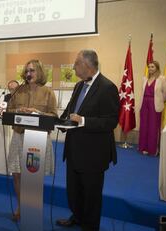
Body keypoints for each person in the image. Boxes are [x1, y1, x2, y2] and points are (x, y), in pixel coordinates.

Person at [56, 50, 119, 231]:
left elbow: (111, 121)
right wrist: (57, 121)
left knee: (91, 194)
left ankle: (90, 227)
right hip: (74, 149)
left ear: (87, 65)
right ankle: (77, 217)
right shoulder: (78, 86)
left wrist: (83, 121)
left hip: (94, 153)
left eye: (76, 63)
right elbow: (69, 111)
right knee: (74, 191)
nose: (74, 67)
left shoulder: (108, 87)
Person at [7, 59, 58, 221]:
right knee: (16, 174)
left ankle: (31, 208)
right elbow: (8, 111)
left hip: (38, 139)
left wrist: (37, 112)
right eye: (27, 71)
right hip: (19, 136)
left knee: (33, 177)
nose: (29, 74)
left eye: (32, 71)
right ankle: (22, 206)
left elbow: (54, 116)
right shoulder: (18, 91)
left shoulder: (48, 92)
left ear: (39, 72)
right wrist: (18, 110)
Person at [138, 61, 166, 156]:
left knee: (153, 127)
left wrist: (159, 101)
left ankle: (153, 149)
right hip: (144, 105)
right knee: (144, 126)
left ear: (157, 68)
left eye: (152, 67)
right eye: (149, 67)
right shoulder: (145, 79)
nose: (150, 68)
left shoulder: (162, 79)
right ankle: (143, 147)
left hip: (155, 106)